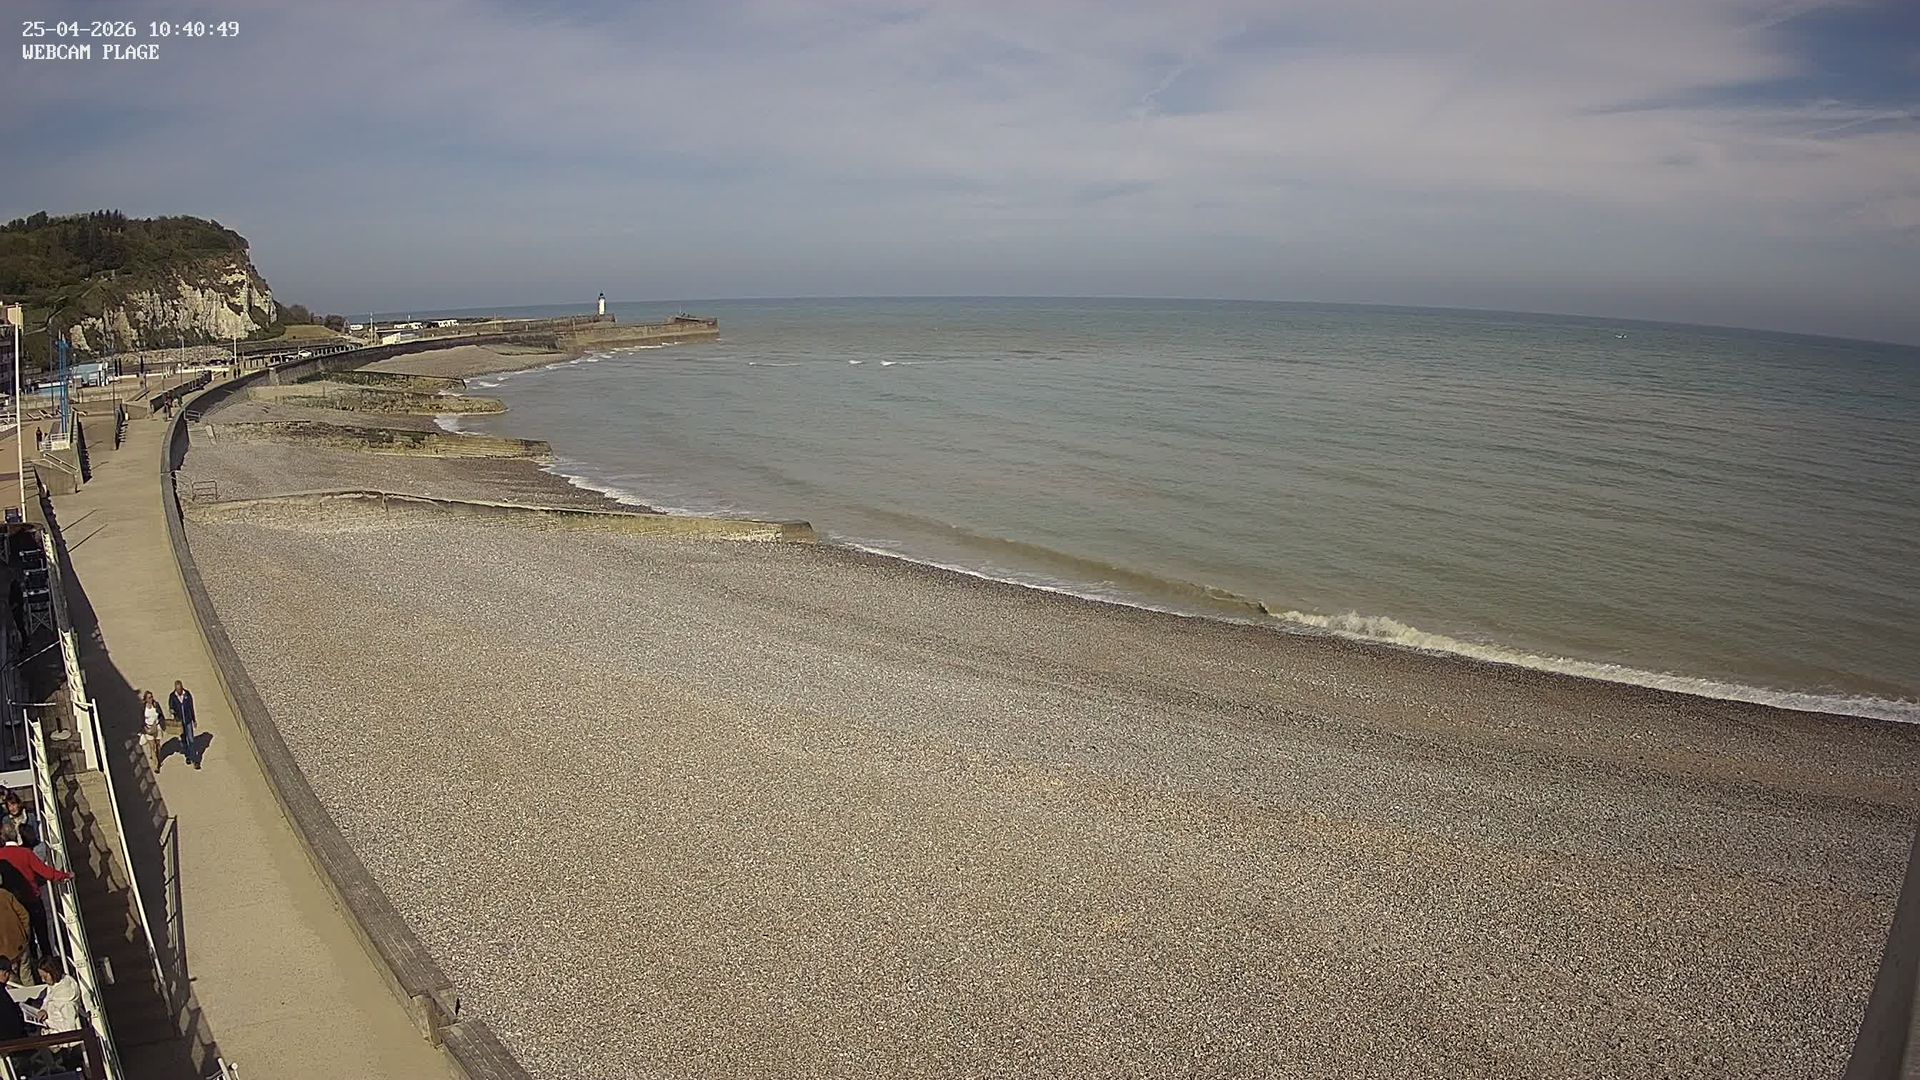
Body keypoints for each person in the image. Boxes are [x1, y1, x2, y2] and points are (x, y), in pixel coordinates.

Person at [168, 680, 201, 769]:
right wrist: (172, 711)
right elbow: (171, 707)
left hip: (188, 720)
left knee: (191, 740)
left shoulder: (187, 694)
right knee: (183, 740)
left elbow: (191, 707)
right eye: (177, 689)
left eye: (180, 689)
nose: (179, 691)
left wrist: (194, 720)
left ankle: (194, 760)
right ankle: (187, 756)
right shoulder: (172, 696)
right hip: (179, 722)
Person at [140, 690, 165, 773]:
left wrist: (163, 724)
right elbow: (141, 719)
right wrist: (144, 728)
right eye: (149, 698)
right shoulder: (143, 707)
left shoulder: (156, 705)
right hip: (148, 728)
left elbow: (161, 715)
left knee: (158, 746)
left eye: (152, 697)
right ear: (146, 699)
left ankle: (157, 757)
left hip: (157, 727)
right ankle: (156, 765)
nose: (151, 699)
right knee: (152, 747)